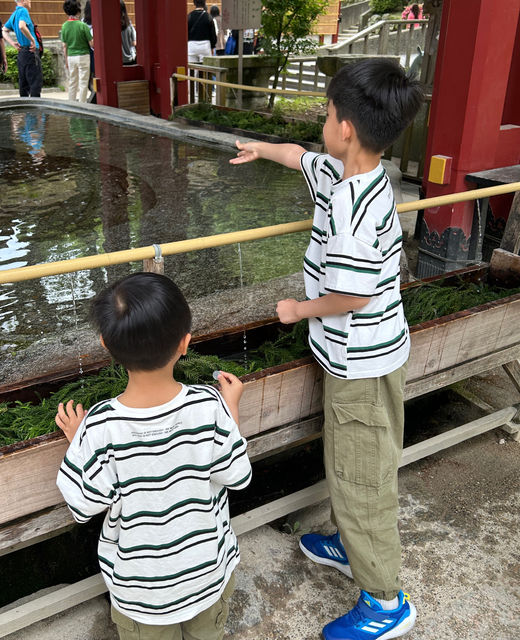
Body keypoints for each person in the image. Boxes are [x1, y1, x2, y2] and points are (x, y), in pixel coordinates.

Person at [230, 58, 423, 640]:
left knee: (362, 476)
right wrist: (262, 150)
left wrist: (297, 310)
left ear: (346, 130)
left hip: (359, 361)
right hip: (367, 354)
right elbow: (300, 157)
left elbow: (349, 295)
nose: (324, 122)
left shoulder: (353, 211)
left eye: (329, 113)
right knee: (353, 462)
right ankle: (347, 542)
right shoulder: (352, 174)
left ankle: (386, 603)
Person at [55, 272, 252, 639]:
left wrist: (77, 439)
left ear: (105, 344)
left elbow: (83, 504)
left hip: (141, 594)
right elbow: (238, 476)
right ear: (185, 343)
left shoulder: (99, 427)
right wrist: (231, 409)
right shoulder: (209, 407)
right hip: (207, 576)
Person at [3, 0, 42, 97]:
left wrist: (12, 43)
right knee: (35, 84)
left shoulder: (15, 14)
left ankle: (26, 110)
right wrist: (32, 39)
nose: (30, 1)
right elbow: (21, 26)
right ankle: (34, 110)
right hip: (31, 51)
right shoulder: (23, 11)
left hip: (22, 53)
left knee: (24, 84)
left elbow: (3, 30)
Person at [60, 0, 92, 102]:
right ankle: (82, 105)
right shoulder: (83, 26)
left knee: (72, 81)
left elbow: (64, 46)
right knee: (83, 82)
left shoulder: (64, 26)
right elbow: (92, 44)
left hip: (70, 57)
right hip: (83, 56)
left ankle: (71, 103)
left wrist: (66, 61)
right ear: (78, 11)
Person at [119, 0, 135, 65]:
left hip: (119, 60)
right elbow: (134, 43)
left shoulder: (112, 25)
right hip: (131, 58)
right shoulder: (129, 24)